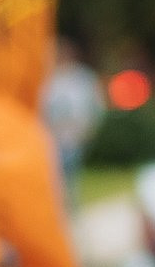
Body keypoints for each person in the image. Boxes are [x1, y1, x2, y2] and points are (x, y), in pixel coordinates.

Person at [38, 36, 105, 196]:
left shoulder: (82, 78)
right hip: (50, 138)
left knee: (68, 179)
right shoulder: (47, 76)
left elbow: (95, 105)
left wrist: (90, 129)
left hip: (73, 137)